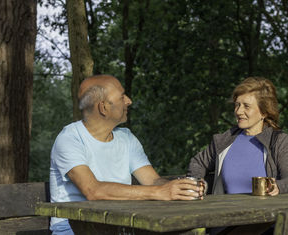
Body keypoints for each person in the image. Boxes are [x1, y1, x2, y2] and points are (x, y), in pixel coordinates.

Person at [49, 75, 204, 235]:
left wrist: (181, 188)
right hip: (76, 229)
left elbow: (152, 181)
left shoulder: (126, 137)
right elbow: (93, 191)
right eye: (122, 97)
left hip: (120, 227)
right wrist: (160, 192)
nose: (129, 101)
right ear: (103, 107)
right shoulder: (70, 138)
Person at [187, 77, 288, 196]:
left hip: (265, 213)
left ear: (264, 112)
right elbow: (197, 163)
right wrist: (197, 185)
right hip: (225, 212)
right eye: (237, 105)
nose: (238, 111)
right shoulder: (224, 139)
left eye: (246, 106)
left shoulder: (278, 141)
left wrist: (277, 186)